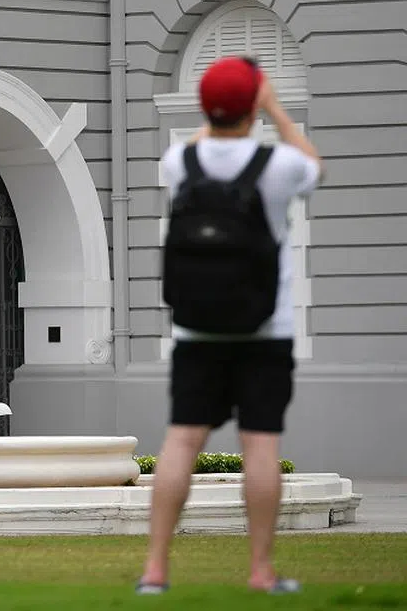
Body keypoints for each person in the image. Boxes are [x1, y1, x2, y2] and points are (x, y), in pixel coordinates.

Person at [138, 55, 323, 595]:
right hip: (266, 331)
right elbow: (315, 167)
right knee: (260, 446)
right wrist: (274, 108)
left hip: (196, 333)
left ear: (204, 107)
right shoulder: (278, 166)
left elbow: (199, 144)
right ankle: (261, 571)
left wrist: (223, 110)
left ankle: (155, 570)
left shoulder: (179, 162)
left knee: (180, 443)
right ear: (252, 108)